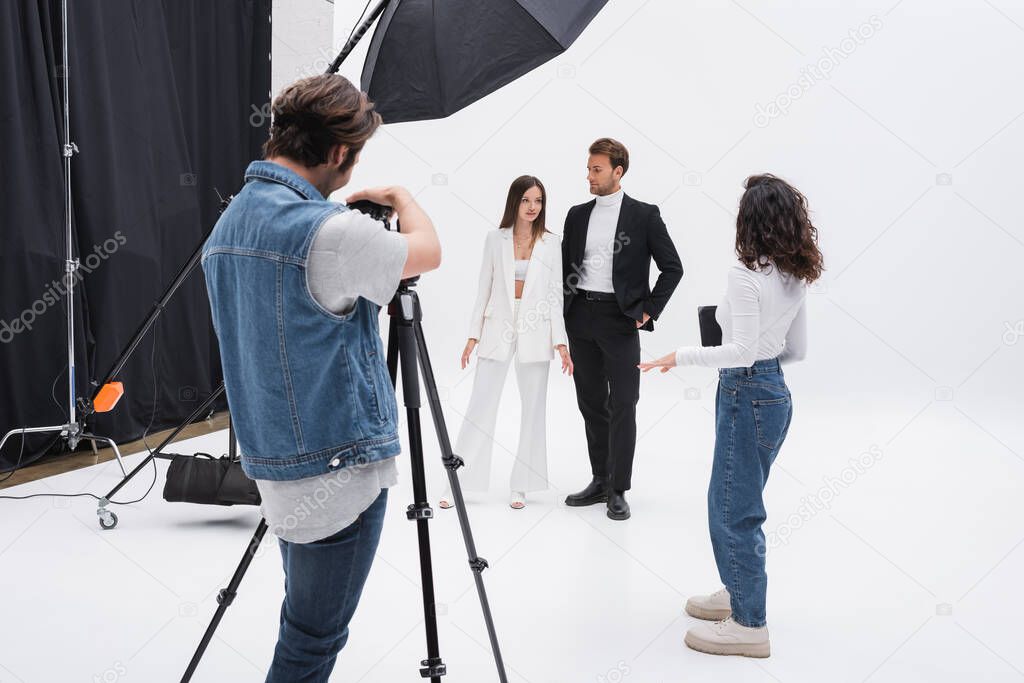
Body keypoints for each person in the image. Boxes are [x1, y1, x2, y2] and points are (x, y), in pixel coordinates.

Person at [201, 73, 441, 682]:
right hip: (339, 473)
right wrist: (402, 199)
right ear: (338, 153)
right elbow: (428, 252)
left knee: (303, 623)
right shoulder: (330, 233)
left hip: (275, 464)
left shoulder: (228, 226)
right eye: (353, 158)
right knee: (311, 643)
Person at [639, 174, 822, 658]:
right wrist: (761, 370)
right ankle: (737, 591)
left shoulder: (744, 275)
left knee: (731, 510)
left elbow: (739, 353)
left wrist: (678, 356)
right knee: (738, 501)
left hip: (745, 392)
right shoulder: (793, 273)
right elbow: (795, 350)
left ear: (751, 221)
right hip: (775, 394)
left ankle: (749, 624)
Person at [562, 137, 683, 521]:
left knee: (624, 403)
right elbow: (567, 268)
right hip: (581, 316)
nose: (589, 175)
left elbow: (672, 267)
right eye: (588, 168)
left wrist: (649, 310)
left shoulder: (644, 216)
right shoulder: (576, 214)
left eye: (596, 169)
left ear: (618, 171)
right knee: (591, 403)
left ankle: (618, 488)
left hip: (620, 319)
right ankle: (600, 479)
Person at [440, 175, 572, 510]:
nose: (532, 207)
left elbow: (556, 295)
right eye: (526, 200)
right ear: (514, 201)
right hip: (498, 324)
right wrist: (472, 335)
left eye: (538, 201)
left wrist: (561, 342)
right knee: (480, 405)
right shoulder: (494, 239)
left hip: (536, 329)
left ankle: (522, 485)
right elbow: (483, 288)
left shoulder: (552, 243)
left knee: (533, 409)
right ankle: (458, 483)